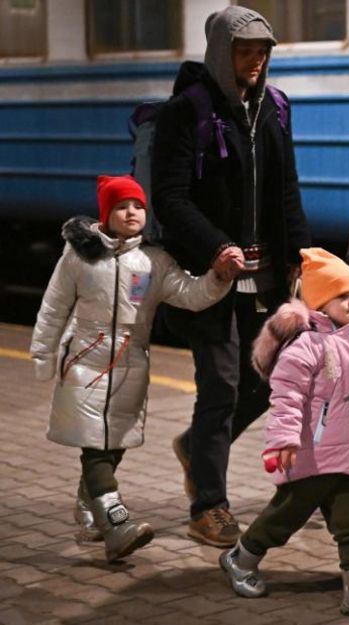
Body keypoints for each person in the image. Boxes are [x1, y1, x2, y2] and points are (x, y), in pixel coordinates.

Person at [151, 5, 311, 547]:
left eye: (263, 53)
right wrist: (216, 247)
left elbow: (286, 187)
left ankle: (197, 446)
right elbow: (169, 198)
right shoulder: (187, 112)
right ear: (222, 51)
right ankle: (209, 506)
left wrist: (298, 253)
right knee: (219, 385)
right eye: (245, 51)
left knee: (265, 379)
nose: (256, 62)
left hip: (263, 272)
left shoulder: (275, 108)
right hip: (210, 274)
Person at [30, 175, 231, 562]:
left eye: (138, 205)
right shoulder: (78, 256)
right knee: (96, 447)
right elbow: (54, 308)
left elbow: (191, 294)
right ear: (106, 213)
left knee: (114, 441)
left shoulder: (154, 261)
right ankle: (116, 525)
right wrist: (42, 356)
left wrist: (218, 277)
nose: (132, 212)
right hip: (84, 362)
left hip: (131, 364)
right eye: (122, 206)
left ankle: (88, 507)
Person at [219, 248, 349, 623]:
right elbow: (286, 397)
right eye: (344, 295)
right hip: (313, 455)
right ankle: (240, 559)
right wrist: (284, 441)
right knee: (284, 517)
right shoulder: (306, 344)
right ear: (322, 301)